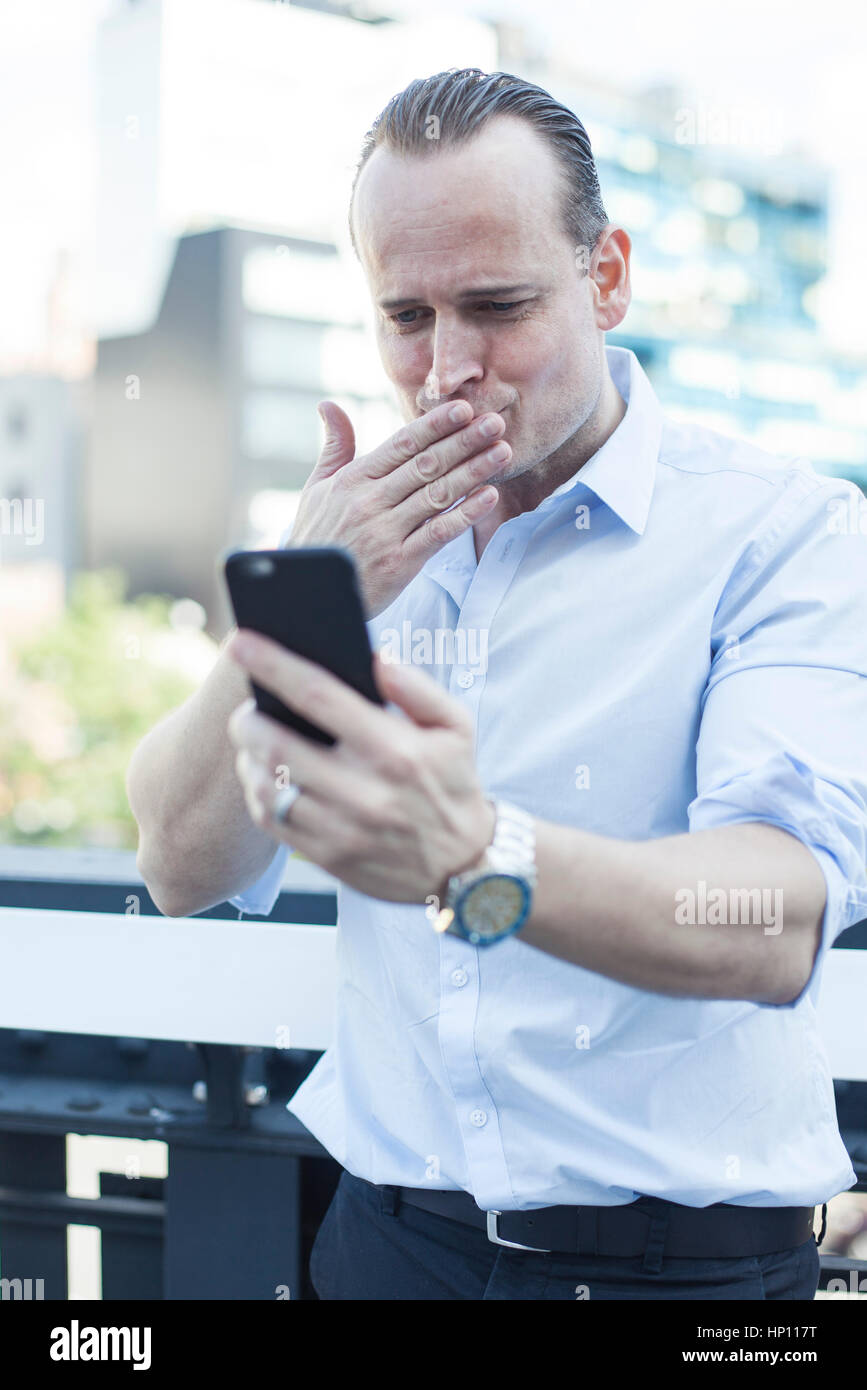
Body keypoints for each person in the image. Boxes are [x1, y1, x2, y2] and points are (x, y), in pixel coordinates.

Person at [127, 69, 867, 1300]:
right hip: (383, 1245)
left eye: (499, 305)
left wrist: (481, 856)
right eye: (406, 315)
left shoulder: (785, 532)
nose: (448, 370)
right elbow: (177, 858)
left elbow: (776, 915)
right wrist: (304, 595)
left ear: (608, 277)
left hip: (676, 1279)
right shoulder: (357, 533)